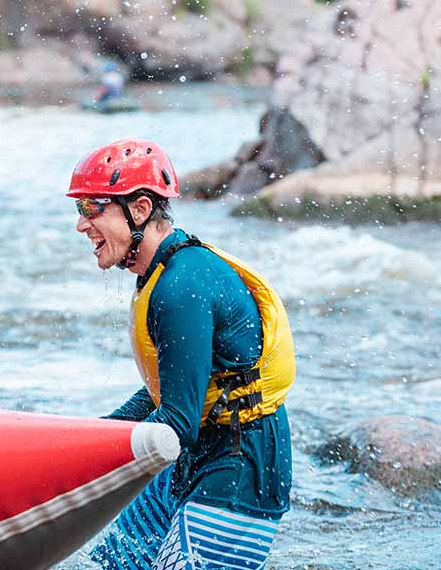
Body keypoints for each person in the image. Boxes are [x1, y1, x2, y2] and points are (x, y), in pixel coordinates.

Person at [67, 139, 295, 570]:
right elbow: (166, 393)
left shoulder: (180, 286)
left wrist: (92, 463)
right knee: (111, 565)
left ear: (138, 209)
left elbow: (177, 421)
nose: (82, 225)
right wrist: (89, 436)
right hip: (199, 454)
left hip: (241, 467)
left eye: (92, 208)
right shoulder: (161, 273)